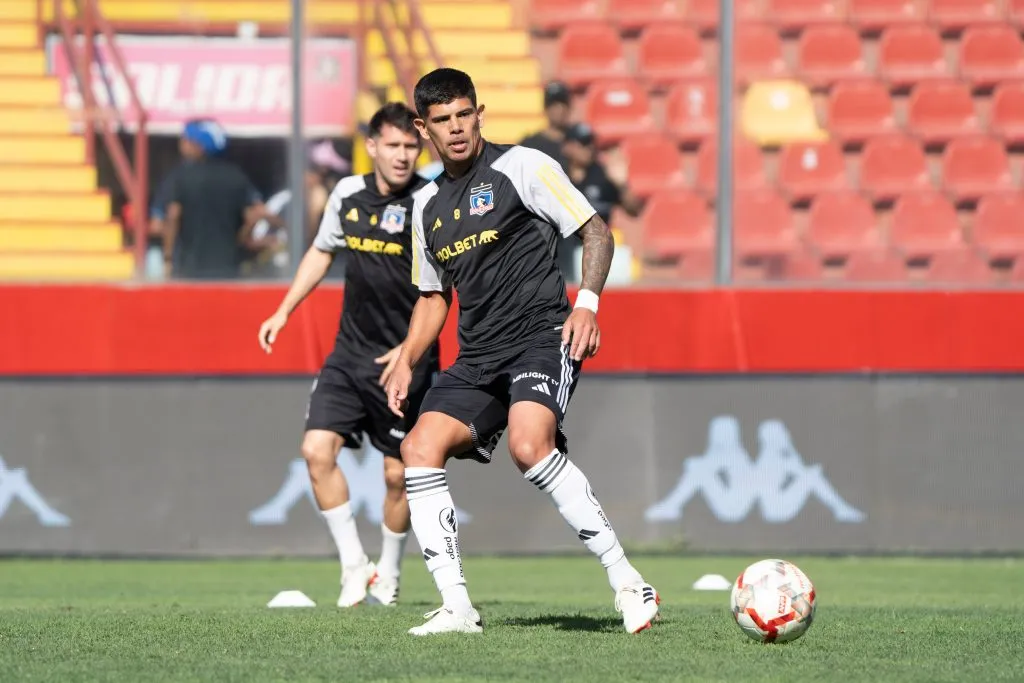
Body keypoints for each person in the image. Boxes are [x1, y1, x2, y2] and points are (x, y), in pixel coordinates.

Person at [385, 68, 661, 636]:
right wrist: (408, 357)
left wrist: (586, 303)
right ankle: (457, 608)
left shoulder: (524, 167)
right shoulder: (426, 207)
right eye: (443, 120)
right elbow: (434, 298)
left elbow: (595, 231)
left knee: (528, 446)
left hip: (542, 334)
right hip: (478, 354)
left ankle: (629, 582)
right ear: (423, 127)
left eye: (465, 114)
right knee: (419, 447)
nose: (457, 129)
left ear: (479, 112)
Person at [257, 103, 439, 607]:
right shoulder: (347, 194)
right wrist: (284, 310)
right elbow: (321, 251)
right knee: (316, 452)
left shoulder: (431, 201)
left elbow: (446, 287)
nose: (404, 156)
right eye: (394, 146)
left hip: (408, 360)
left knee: (398, 475)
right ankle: (353, 566)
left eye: (412, 146)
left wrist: (409, 347)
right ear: (373, 146)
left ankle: (390, 571)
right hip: (350, 353)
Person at [162, 119, 266, 280]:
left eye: (186, 139)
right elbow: (254, 215)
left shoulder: (181, 176)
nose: (182, 144)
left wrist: (168, 258)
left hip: (189, 267)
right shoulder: (235, 176)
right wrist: (238, 240)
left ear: (199, 145)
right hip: (228, 266)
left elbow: (173, 215)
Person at [518, 81, 573, 166]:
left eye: (563, 104)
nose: (560, 109)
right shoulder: (529, 145)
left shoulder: (578, 144)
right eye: (554, 104)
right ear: (546, 108)